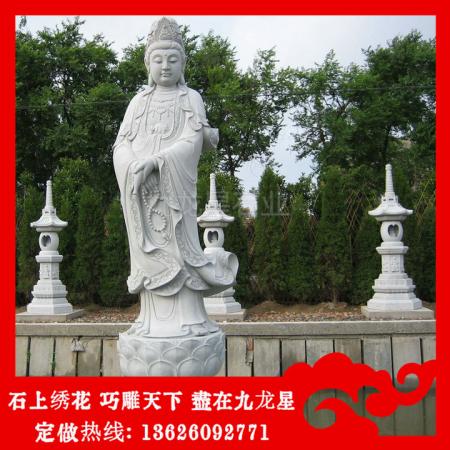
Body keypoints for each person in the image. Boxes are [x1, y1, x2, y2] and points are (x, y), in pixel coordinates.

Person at [113, 17, 237, 338]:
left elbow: (192, 141)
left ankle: (189, 317)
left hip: (175, 192)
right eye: (158, 59)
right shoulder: (137, 103)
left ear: (182, 63)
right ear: (147, 64)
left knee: (180, 255)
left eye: (172, 59)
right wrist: (133, 165)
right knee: (149, 254)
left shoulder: (190, 98)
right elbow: (121, 145)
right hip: (143, 193)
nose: (165, 66)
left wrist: (156, 161)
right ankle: (149, 318)